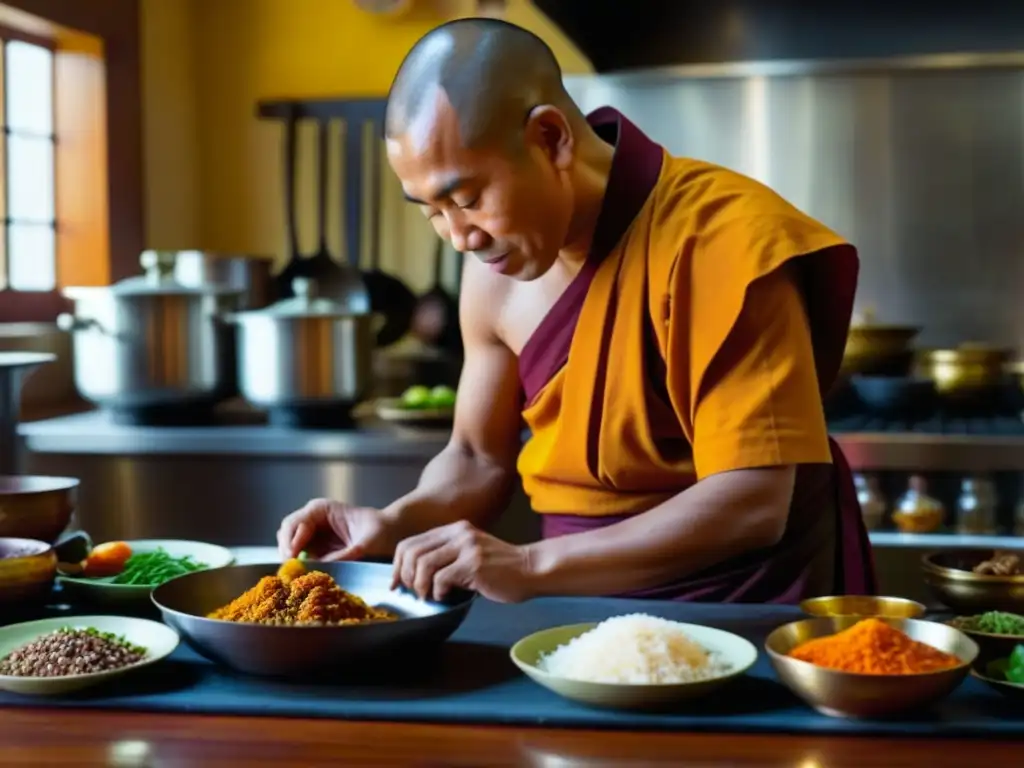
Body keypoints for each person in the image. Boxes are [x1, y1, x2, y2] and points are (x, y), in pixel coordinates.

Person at [276, 18, 876, 605]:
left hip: (739, 603)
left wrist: (531, 564)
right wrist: (395, 524)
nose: (459, 237)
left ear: (552, 139)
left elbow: (753, 503)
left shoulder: (726, 241)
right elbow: (475, 457)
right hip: (576, 610)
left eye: (467, 199)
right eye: (431, 211)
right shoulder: (493, 270)